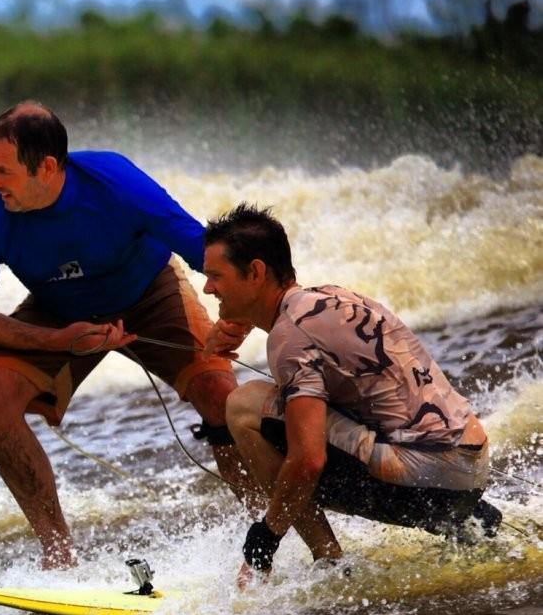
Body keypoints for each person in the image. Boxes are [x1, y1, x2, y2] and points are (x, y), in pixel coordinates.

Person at [0, 103, 247, 568]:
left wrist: (236, 319)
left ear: (47, 167)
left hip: (149, 290)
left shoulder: (115, 181)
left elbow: (208, 253)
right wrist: (57, 341)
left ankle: (263, 532)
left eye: (2, 170)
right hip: (59, 310)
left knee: (222, 397)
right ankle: (58, 554)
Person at [200, 203, 500, 587]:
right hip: (470, 469)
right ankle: (461, 517)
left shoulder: (290, 339)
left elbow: (309, 460)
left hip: (427, 484)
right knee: (299, 405)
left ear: (255, 272)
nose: (208, 288)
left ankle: (330, 563)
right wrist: (237, 323)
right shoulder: (330, 297)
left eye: (216, 276)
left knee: (244, 406)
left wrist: (265, 539)